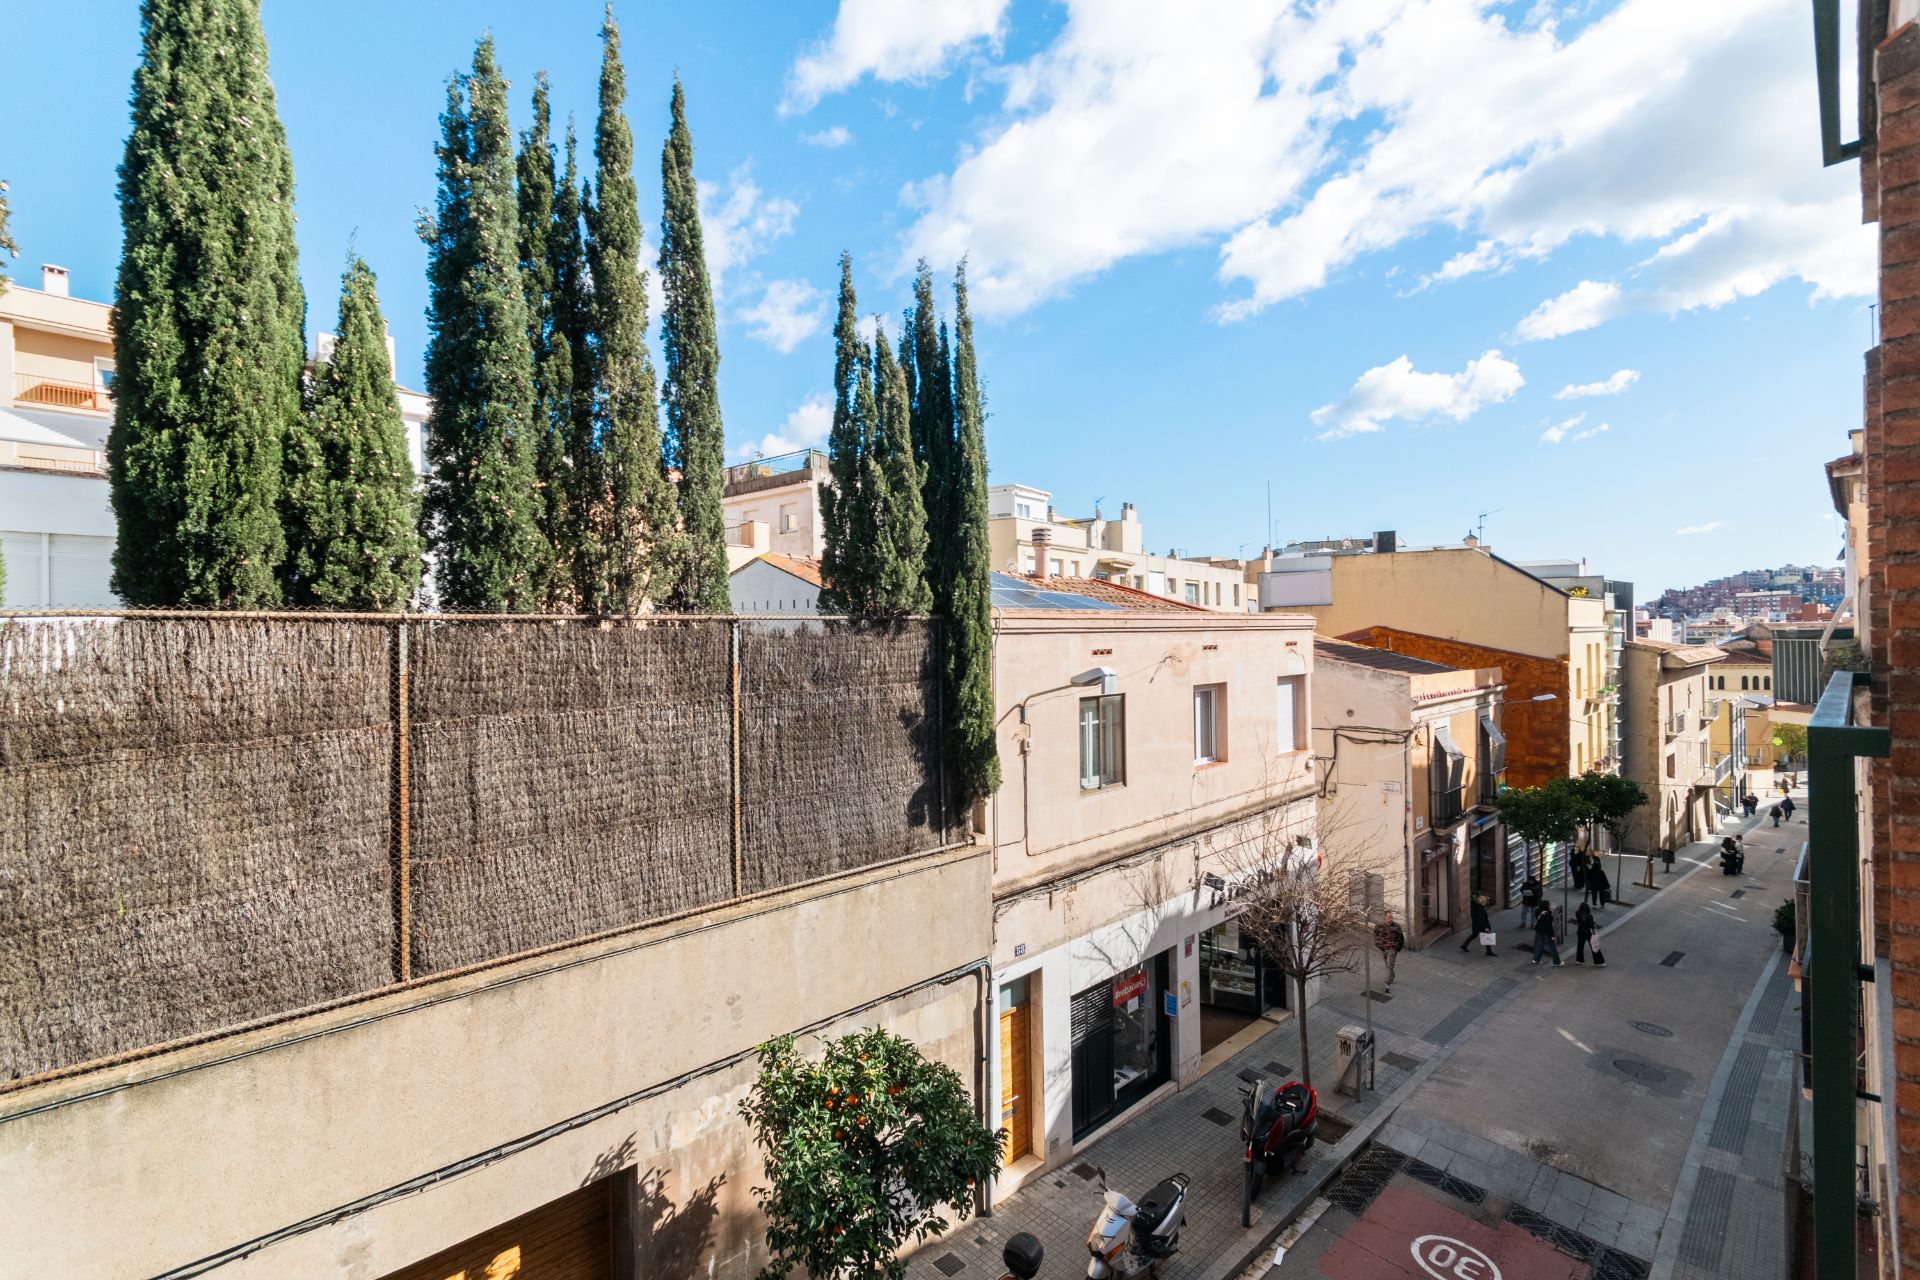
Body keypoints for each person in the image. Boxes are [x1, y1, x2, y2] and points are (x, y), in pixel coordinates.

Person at [1375, 911, 1407, 989]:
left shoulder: (1396, 926)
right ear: (1385, 917)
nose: (1391, 918)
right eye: (1389, 917)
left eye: (1391, 917)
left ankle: (1387, 984)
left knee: (1389, 966)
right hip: (1384, 949)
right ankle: (1392, 976)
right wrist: (1379, 945)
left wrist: (1397, 948)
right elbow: (1376, 936)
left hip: (1392, 949)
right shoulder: (1379, 926)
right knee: (1388, 965)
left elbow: (1401, 938)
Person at [1532, 902, 1563, 967]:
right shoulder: (1548, 915)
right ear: (1546, 906)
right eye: (1549, 905)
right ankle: (1557, 962)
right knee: (1552, 948)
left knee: (1539, 945)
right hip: (1546, 933)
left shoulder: (1538, 911)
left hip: (1539, 931)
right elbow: (1549, 927)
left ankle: (1536, 959)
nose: (1550, 906)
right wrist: (1553, 936)